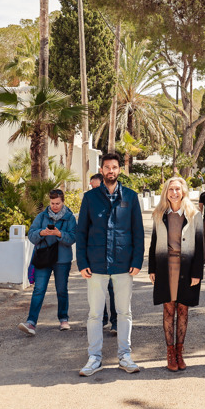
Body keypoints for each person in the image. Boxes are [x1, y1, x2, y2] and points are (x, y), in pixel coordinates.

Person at [76, 153, 145, 377]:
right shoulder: (90, 198)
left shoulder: (132, 197)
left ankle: (125, 356)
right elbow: (82, 232)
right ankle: (94, 357)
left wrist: (137, 260)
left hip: (123, 264)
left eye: (114, 167)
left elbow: (138, 232)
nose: (111, 171)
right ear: (102, 170)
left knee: (124, 312)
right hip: (95, 266)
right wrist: (82, 262)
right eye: (107, 167)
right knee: (95, 314)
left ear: (119, 170)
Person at [148, 177, 203, 371]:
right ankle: (170, 352)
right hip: (165, 266)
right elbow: (154, 243)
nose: (174, 193)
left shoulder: (194, 214)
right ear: (166, 192)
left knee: (183, 310)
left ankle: (180, 352)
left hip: (186, 267)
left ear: (184, 192)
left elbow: (200, 244)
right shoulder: (159, 214)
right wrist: (152, 268)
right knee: (168, 310)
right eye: (171, 189)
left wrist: (197, 272)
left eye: (177, 189)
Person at [19, 189, 77, 336]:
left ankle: (64, 319)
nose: (55, 206)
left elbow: (72, 238)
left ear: (63, 202)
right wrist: (41, 233)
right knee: (39, 290)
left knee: (62, 290)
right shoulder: (41, 216)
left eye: (58, 203)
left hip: (62, 260)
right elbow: (31, 236)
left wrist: (59, 234)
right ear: (49, 202)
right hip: (43, 258)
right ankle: (31, 322)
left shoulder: (70, 218)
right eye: (52, 203)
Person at [90, 173, 117, 333]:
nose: (94, 190)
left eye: (96, 187)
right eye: (92, 187)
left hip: (113, 256)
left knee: (113, 290)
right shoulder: (90, 202)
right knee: (98, 291)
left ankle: (115, 322)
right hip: (96, 256)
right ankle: (102, 319)